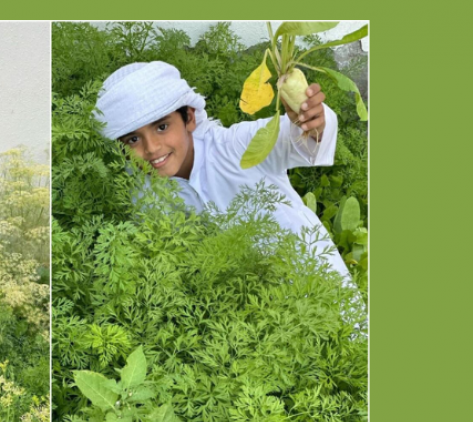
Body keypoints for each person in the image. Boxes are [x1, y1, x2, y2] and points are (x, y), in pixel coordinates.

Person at [95, 61, 349, 280]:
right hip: (254, 311)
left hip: (315, 279)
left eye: (162, 127)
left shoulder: (235, 146)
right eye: (133, 140)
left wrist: (312, 121)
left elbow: (298, 137)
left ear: (190, 118)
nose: (151, 148)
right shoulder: (140, 196)